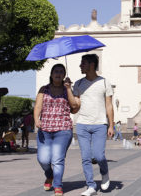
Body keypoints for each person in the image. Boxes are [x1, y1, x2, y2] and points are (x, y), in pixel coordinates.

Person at [34, 64, 79, 196]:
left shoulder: (67, 89)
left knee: (58, 159)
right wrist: (37, 119)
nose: (58, 73)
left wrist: (69, 89)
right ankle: (50, 175)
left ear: (64, 75)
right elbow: (37, 106)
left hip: (63, 129)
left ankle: (58, 185)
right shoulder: (44, 89)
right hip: (45, 129)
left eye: (61, 71)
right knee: (43, 159)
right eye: (56, 71)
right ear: (51, 74)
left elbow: (74, 106)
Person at [72, 54, 114, 196]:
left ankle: (105, 173)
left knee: (99, 156)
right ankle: (90, 185)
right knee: (85, 157)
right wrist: (68, 89)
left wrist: (111, 125)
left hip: (100, 124)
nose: (80, 66)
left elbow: (109, 105)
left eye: (83, 63)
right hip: (82, 124)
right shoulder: (77, 84)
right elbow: (75, 106)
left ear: (91, 65)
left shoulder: (104, 83)